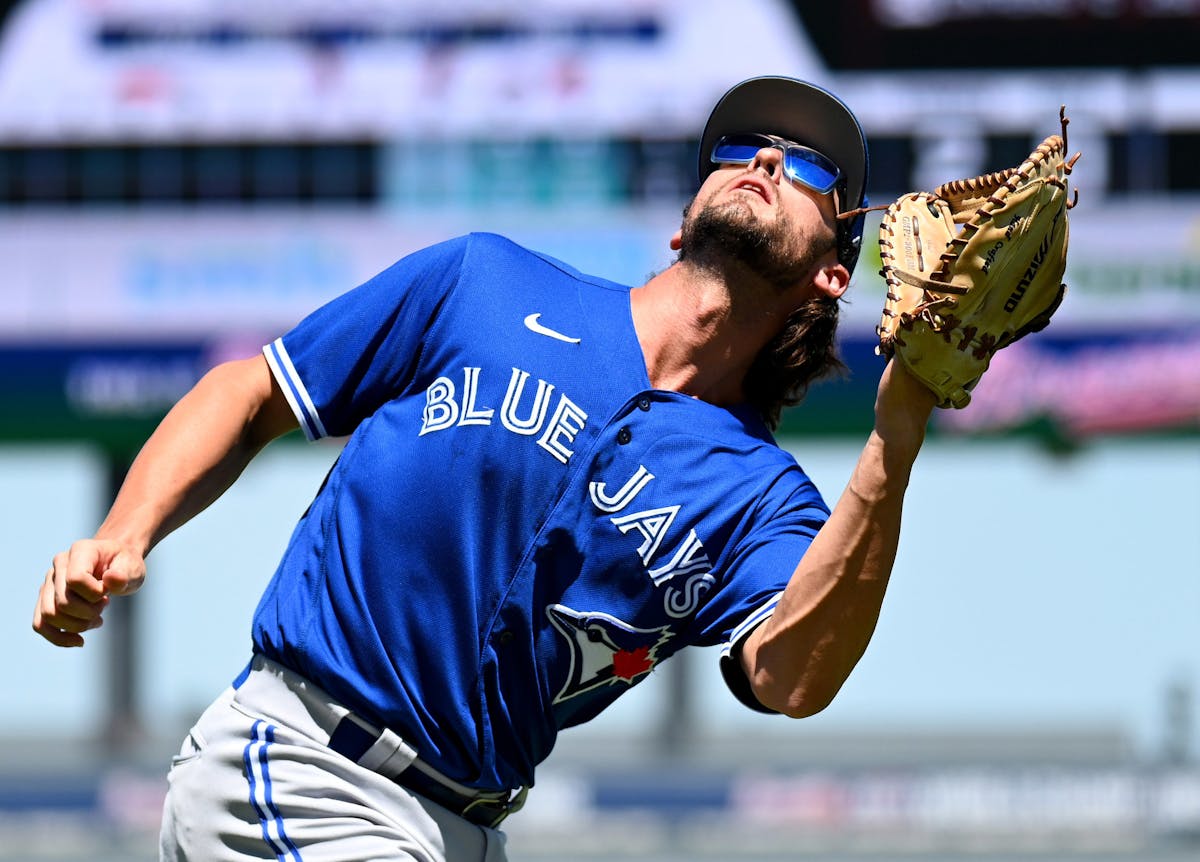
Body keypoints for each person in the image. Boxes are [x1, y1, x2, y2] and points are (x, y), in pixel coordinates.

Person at [32, 76, 937, 861]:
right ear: (680, 220)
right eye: (739, 147)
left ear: (833, 271)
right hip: (302, 768)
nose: (767, 161)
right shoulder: (486, 284)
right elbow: (255, 390)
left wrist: (897, 429)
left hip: (459, 830)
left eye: (809, 166)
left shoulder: (760, 497)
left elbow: (792, 675)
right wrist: (121, 535)